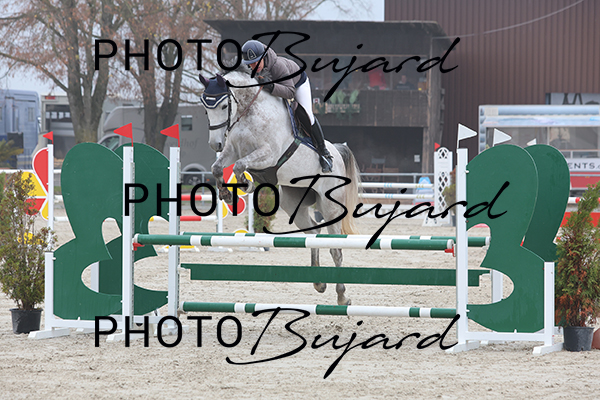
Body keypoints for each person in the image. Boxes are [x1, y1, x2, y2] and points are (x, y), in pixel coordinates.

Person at [241, 39, 333, 173]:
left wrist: (271, 86)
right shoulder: (249, 70)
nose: (254, 66)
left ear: (264, 57)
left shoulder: (277, 66)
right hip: (278, 88)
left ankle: (324, 153)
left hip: (297, 84)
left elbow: (290, 92)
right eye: (251, 63)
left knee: (307, 114)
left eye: (257, 61)